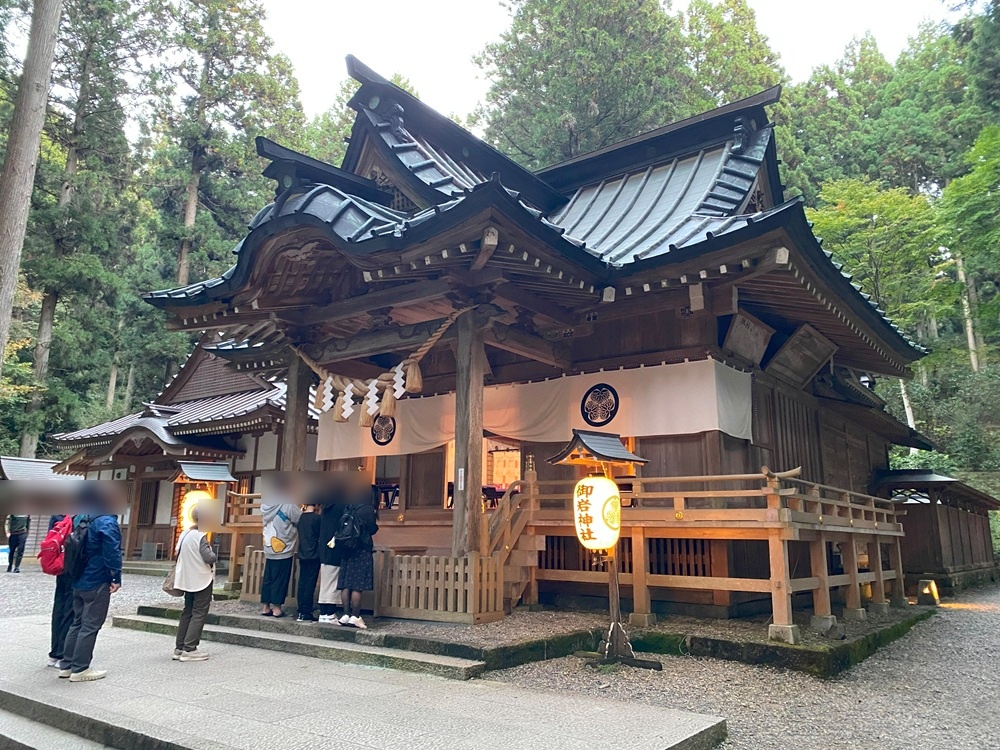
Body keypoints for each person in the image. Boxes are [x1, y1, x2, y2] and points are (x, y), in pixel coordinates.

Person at [59, 510, 122, 682]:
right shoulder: (106, 522)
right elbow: (112, 551)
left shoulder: (84, 517)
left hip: (78, 577)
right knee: (90, 625)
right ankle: (80, 668)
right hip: (97, 577)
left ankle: (67, 665)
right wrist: (116, 576)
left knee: (77, 622)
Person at [172, 509, 217, 662]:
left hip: (186, 577)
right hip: (201, 577)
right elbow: (209, 557)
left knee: (188, 611)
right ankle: (190, 648)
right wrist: (214, 554)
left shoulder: (184, 534)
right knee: (199, 612)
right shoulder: (200, 536)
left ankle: (179, 647)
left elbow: (177, 552)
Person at [260, 477, 301, 618]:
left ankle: (265, 606)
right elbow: (300, 519)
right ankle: (277, 608)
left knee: (268, 577)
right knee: (281, 578)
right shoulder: (287, 504)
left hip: (269, 546)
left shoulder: (266, 505)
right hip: (284, 547)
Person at [337, 495, 379, 629]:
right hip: (361, 548)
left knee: (346, 583)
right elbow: (372, 529)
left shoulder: (349, 505)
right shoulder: (367, 509)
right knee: (357, 585)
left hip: (347, 548)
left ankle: (345, 614)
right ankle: (355, 616)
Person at [46, 515, 74, 669]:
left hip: (60, 564)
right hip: (74, 565)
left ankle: (54, 652)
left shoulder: (58, 515)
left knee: (59, 607)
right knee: (70, 610)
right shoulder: (81, 516)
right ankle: (63, 652)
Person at [316, 501, 343, 623]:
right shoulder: (341, 506)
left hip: (324, 548)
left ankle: (323, 613)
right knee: (333, 583)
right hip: (335, 548)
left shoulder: (325, 506)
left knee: (325, 583)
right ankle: (330, 613)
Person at [295, 504, 321, 622]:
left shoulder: (301, 517)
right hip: (313, 554)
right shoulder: (317, 519)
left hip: (302, 552)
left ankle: (300, 609)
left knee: (302, 582)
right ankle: (306, 611)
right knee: (310, 584)